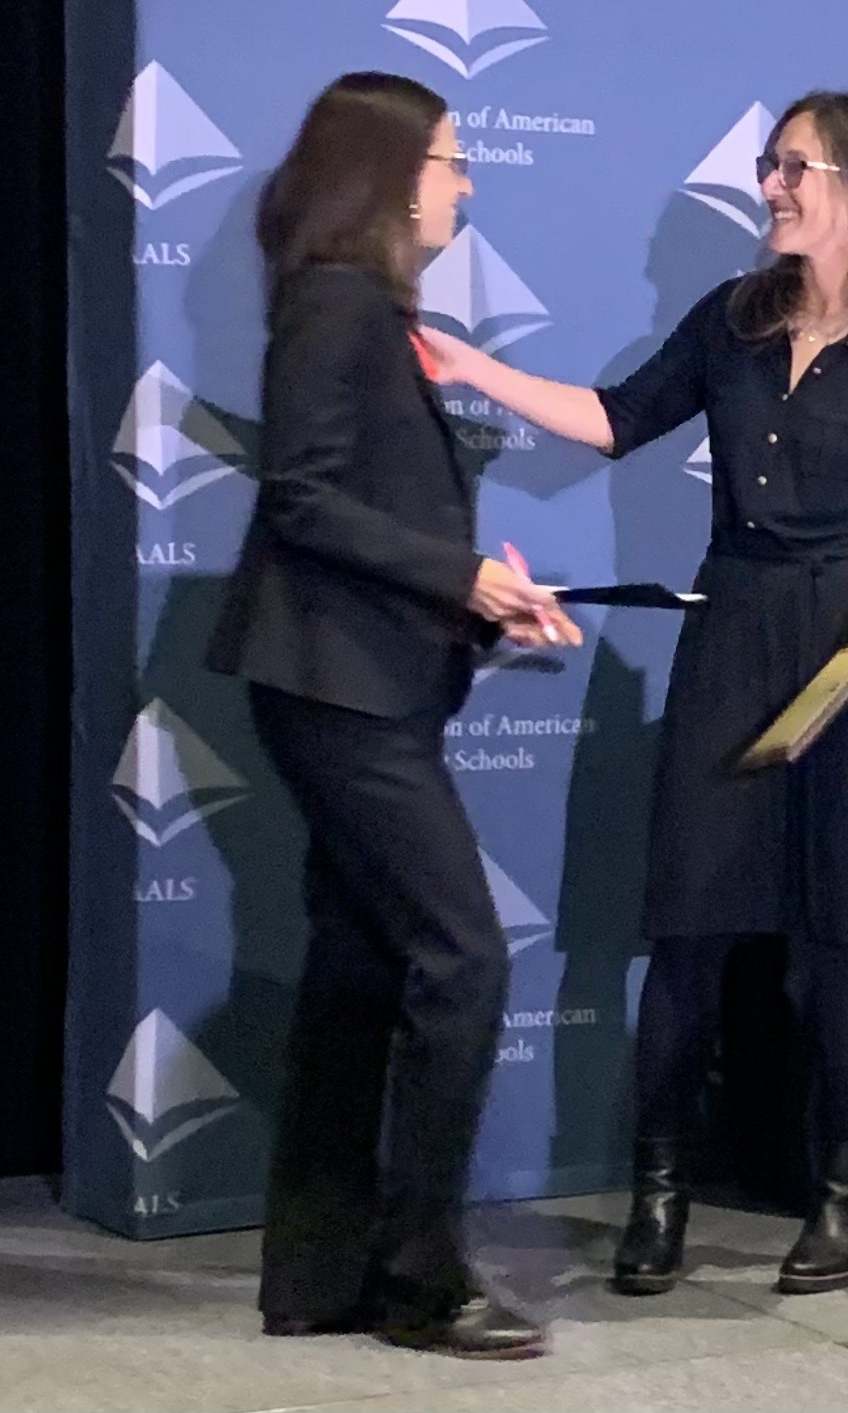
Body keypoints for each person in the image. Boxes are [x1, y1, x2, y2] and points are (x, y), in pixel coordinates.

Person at [423, 90, 848, 1296]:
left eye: (797, 168)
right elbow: (616, 420)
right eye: (769, 165)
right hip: (730, 632)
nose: (772, 186)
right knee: (685, 934)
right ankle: (659, 1197)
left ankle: (847, 1199)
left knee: (844, 941)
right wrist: (474, 367)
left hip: (847, 652)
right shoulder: (728, 322)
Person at [207, 72, 580, 1357]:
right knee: (460, 958)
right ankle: (424, 1277)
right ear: (390, 172)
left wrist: (487, 605)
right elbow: (303, 500)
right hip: (334, 689)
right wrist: (462, 574)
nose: (464, 183)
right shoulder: (335, 301)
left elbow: (369, 521)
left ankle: (318, 1280)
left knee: (361, 974)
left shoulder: (361, 306)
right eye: (451, 159)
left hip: (359, 680)